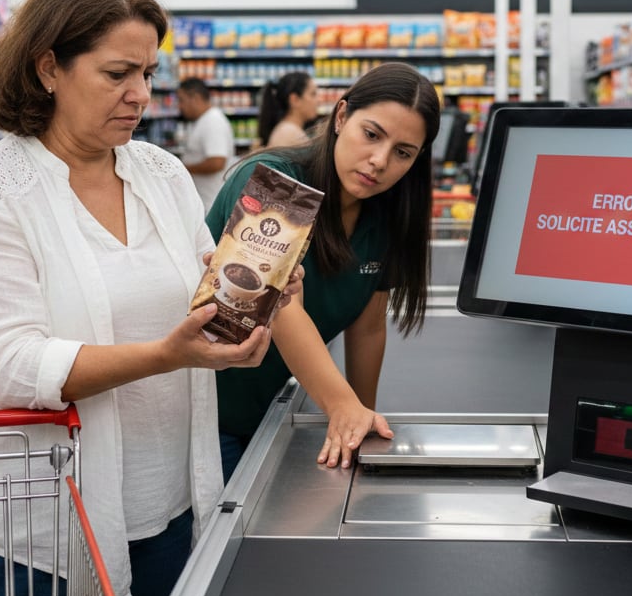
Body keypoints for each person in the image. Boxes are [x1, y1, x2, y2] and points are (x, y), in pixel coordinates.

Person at [0, 0, 293, 596]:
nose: (141, 95)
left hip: (174, 504)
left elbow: (201, 293)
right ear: (48, 69)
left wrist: (254, 297)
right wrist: (168, 353)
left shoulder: (159, 173)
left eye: (150, 72)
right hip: (52, 530)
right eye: (118, 72)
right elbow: (10, 364)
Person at [209, 61, 440, 478]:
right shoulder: (274, 183)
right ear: (341, 116)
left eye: (403, 152)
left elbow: (368, 327)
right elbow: (276, 306)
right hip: (205, 412)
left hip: (269, 413)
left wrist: (360, 420)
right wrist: (341, 404)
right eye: (371, 135)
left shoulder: (386, 214)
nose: (379, 161)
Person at [177, 77, 235, 211]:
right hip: (205, 201)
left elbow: (217, 162)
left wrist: (182, 168)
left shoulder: (212, 121)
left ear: (195, 98)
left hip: (211, 203)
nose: (179, 106)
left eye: (182, 100)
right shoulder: (205, 120)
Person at [258, 71, 319, 148]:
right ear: (295, 100)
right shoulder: (290, 133)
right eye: (313, 94)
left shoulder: (286, 129)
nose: (318, 100)